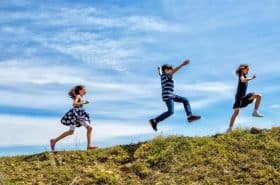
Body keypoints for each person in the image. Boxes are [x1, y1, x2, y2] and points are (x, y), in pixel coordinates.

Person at [149, 60, 201, 131]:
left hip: (171, 95)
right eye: (170, 70)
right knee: (171, 112)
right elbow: (173, 71)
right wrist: (182, 64)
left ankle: (190, 116)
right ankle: (154, 121)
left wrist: (159, 70)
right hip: (168, 95)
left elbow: (160, 73)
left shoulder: (162, 76)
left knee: (185, 99)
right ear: (166, 70)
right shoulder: (167, 75)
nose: (172, 71)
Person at [50, 85, 97, 151]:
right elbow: (74, 104)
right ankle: (89, 146)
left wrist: (83, 102)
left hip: (76, 115)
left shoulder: (79, 96)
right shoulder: (78, 96)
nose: (85, 91)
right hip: (77, 115)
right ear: (80, 91)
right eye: (84, 90)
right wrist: (83, 102)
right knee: (89, 128)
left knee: (71, 132)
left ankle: (54, 140)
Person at [227, 64, 264, 132]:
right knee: (236, 112)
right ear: (243, 69)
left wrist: (249, 78)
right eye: (247, 69)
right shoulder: (241, 75)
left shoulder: (244, 76)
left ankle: (255, 112)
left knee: (258, 96)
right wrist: (252, 78)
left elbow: (244, 80)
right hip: (239, 97)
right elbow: (242, 80)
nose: (248, 71)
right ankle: (229, 128)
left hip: (244, 97)